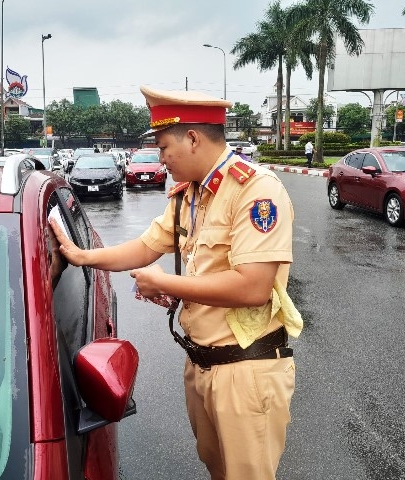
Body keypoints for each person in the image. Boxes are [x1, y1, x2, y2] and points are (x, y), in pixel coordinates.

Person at [49, 85, 302, 480]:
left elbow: (253, 287)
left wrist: (169, 284)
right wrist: (84, 257)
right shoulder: (190, 194)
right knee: (218, 469)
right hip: (201, 363)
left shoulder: (255, 190)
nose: (161, 159)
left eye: (165, 147)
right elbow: (146, 247)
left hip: (245, 368)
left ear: (194, 139)